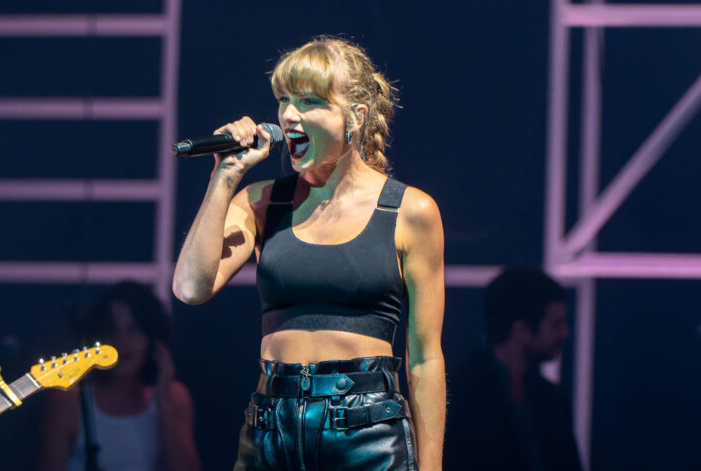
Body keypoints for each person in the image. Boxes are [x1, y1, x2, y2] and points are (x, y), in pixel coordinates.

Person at [173, 36, 445, 470]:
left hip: (366, 430)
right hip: (270, 429)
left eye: (310, 101)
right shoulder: (262, 202)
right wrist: (225, 177)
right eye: (284, 100)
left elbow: (426, 358)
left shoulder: (410, 211)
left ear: (354, 117)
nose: (289, 115)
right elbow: (190, 287)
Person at [39, 281, 201, 471]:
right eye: (112, 330)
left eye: (133, 330)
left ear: (152, 338)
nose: (122, 341)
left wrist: (163, 401)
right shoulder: (69, 400)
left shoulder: (175, 397)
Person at [444, 267, 581, 471]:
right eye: (556, 323)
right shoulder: (456, 398)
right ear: (521, 330)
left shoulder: (554, 401)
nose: (565, 333)